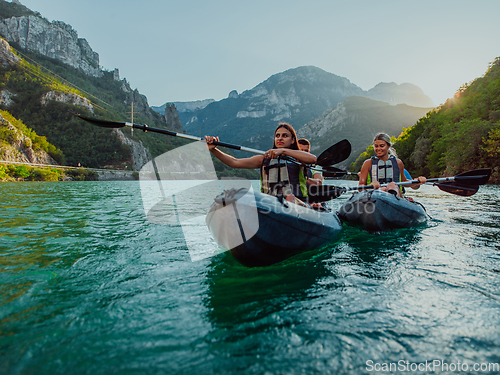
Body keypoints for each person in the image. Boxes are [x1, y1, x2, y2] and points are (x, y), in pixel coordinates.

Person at [205, 123, 316, 205]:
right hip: (271, 204)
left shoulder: (298, 159)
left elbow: (313, 159)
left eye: (285, 136)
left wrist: (283, 151)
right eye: (277, 136)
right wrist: (213, 150)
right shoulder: (263, 159)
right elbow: (234, 162)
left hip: (297, 203)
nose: (280, 138)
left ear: (292, 140)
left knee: (290, 198)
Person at [358, 133, 426, 197]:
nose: (378, 149)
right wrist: (371, 186)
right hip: (375, 195)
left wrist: (417, 181)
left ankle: (390, 196)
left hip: (396, 197)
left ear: (388, 146)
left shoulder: (398, 163)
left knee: (392, 184)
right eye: (376, 146)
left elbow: (404, 181)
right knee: (383, 188)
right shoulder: (367, 163)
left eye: (382, 146)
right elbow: (360, 186)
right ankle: (382, 193)